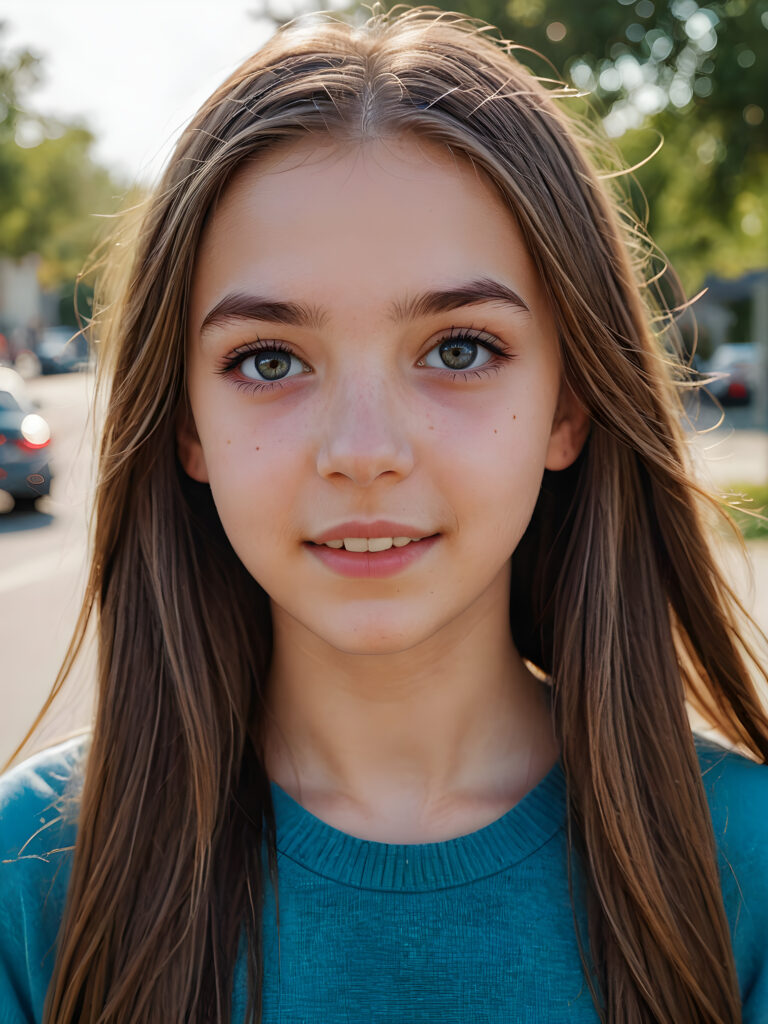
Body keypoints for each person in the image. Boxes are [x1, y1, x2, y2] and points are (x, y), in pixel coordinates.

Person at [1, 6, 767, 1022]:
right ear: (187, 422)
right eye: (268, 361)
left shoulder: (745, 870)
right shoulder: (33, 877)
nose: (363, 452)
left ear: (569, 404)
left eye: (458, 349)